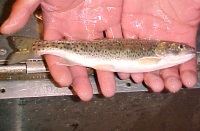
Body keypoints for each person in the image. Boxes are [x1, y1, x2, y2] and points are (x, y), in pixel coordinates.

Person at [1, 0, 199, 101]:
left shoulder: (158, 53)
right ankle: (38, 47)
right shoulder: (154, 52)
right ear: (164, 49)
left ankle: (38, 48)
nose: (185, 50)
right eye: (180, 47)